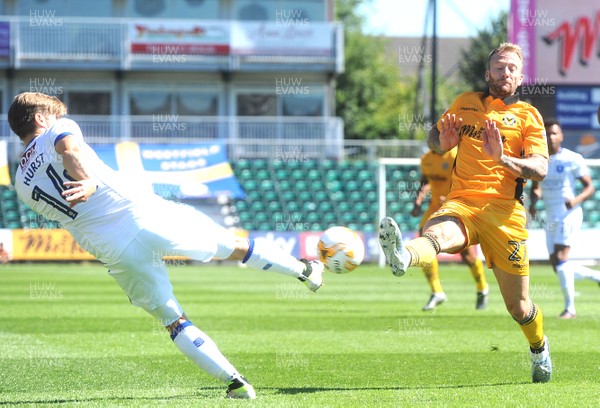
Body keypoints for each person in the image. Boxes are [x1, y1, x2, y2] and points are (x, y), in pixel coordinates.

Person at [8, 92, 325, 400]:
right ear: (39, 118)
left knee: (174, 320)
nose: (60, 119)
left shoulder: (21, 182)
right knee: (234, 247)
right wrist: (88, 181)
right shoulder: (57, 131)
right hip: (143, 214)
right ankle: (306, 271)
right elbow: (69, 149)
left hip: (113, 250)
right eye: (54, 114)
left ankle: (236, 383)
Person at [379, 42, 553, 383]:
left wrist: (503, 158)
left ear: (520, 77)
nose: (505, 72)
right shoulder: (465, 102)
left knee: (519, 308)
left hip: (505, 214)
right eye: (499, 67)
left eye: (512, 68)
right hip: (463, 202)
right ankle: (403, 256)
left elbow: (539, 169)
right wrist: (439, 142)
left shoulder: (529, 116)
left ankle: (539, 348)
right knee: (438, 232)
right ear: (487, 73)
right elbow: (434, 139)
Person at [529, 118, 599, 319]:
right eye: (547, 133)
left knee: (561, 259)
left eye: (554, 133)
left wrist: (575, 200)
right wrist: (533, 205)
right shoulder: (539, 159)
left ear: (561, 136)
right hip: (551, 215)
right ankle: (595, 276)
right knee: (557, 265)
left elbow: (589, 186)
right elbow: (536, 186)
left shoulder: (572, 158)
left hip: (569, 214)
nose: (550, 137)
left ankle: (570, 309)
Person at [410, 148, 489, 311]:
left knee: (467, 256)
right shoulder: (426, 159)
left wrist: (449, 198)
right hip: (435, 208)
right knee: (423, 242)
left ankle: (482, 287)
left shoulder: (455, 156)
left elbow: (469, 182)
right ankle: (436, 291)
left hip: (457, 207)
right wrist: (418, 201)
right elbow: (425, 181)